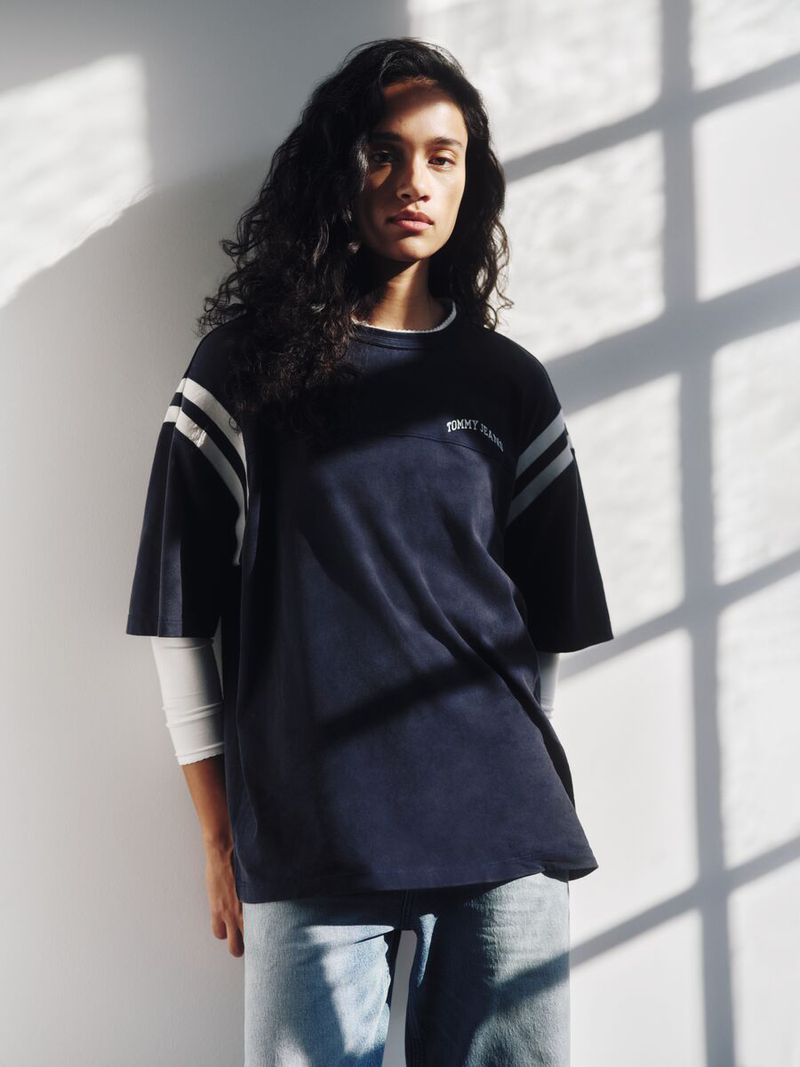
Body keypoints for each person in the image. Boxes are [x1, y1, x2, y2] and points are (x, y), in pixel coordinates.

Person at [126, 37, 614, 1067]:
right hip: (310, 842)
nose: (413, 183)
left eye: (443, 156)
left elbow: (545, 634)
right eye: (383, 154)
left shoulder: (506, 385)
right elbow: (181, 617)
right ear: (334, 169)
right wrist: (220, 835)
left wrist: (488, 762)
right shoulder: (242, 374)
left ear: (469, 179)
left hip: (502, 842)